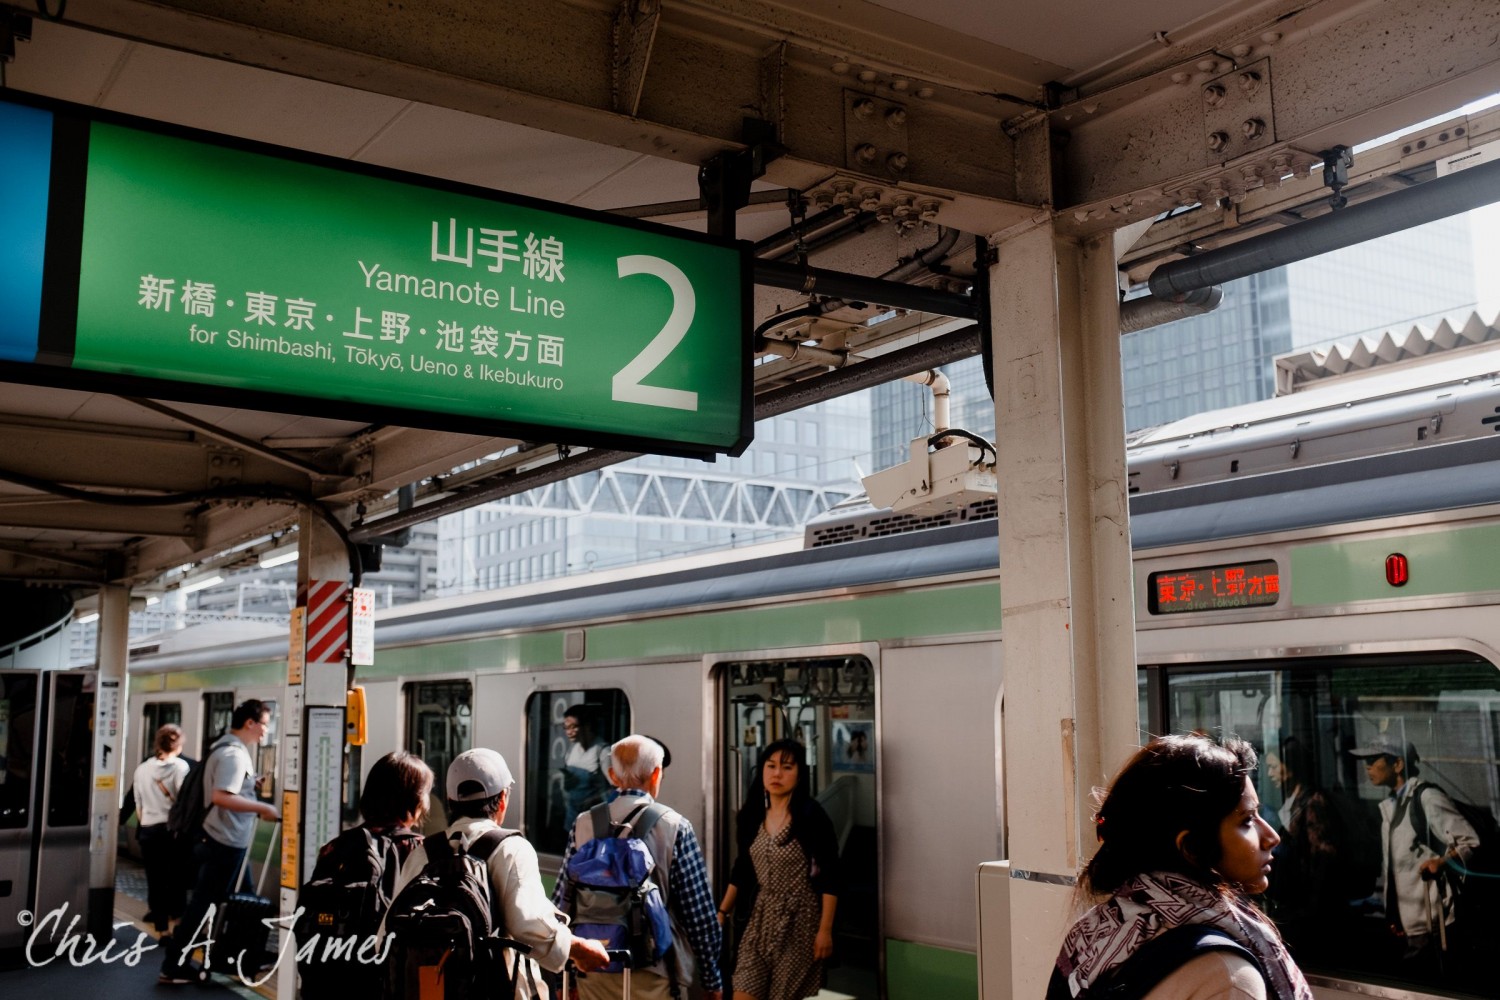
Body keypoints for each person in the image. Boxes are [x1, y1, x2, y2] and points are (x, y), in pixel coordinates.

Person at [1048, 734, 1314, 1000]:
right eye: (1246, 820)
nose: (1271, 837)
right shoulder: (1226, 977)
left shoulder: (1094, 932)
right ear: (1192, 848)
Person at [389, 747, 609, 996]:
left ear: (451, 802)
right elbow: (528, 925)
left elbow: (388, 931)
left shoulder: (424, 852)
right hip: (496, 988)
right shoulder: (511, 848)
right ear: (503, 798)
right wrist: (579, 949)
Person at [554, 734, 723, 1000]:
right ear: (656, 774)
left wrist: (564, 975)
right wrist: (712, 979)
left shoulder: (583, 823)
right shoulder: (675, 826)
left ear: (612, 775)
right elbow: (699, 916)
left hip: (593, 968)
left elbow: (561, 904)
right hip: (656, 972)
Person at [159, 699, 280, 985]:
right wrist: (264, 808)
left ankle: (246, 957)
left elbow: (230, 789)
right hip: (223, 841)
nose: (265, 732)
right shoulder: (233, 756)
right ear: (250, 723)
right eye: (263, 724)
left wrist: (250, 785)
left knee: (246, 901)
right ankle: (173, 965)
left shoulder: (226, 749)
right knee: (202, 907)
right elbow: (221, 796)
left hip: (228, 840)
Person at [717, 739, 839, 1000]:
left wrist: (825, 930)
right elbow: (743, 868)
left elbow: (830, 876)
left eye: (786, 767)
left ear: (799, 773)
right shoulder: (751, 815)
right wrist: (722, 912)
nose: (776, 774)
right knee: (742, 989)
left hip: (801, 921)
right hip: (760, 918)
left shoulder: (811, 816)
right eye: (770, 766)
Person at [1349, 738, 1478, 969]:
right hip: (1407, 922)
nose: (1367, 767)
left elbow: (1470, 841)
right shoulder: (1391, 805)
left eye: (1372, 760)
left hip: (1434, 922)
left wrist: (1442, 862)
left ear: (1397, 764)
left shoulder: (1426, 798)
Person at [132, 723, 191, 933]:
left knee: (155, 880)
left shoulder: (142, 769)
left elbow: (138, 805)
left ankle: (161, 929)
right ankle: (176, 925)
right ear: (178, 746)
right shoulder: (181, 768)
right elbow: (184, 802)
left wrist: (148, 820)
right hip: (171, 832)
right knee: (176, 880)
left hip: (148, 831)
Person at [559, 705, 611, 829]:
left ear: (587, 726)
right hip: (572, 817)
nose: (568, 732)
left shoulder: (603, 752)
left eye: (574, 727)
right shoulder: (571, 751)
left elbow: (615, 789)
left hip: (593, 819)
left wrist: (594, 800)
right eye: (566, 728)